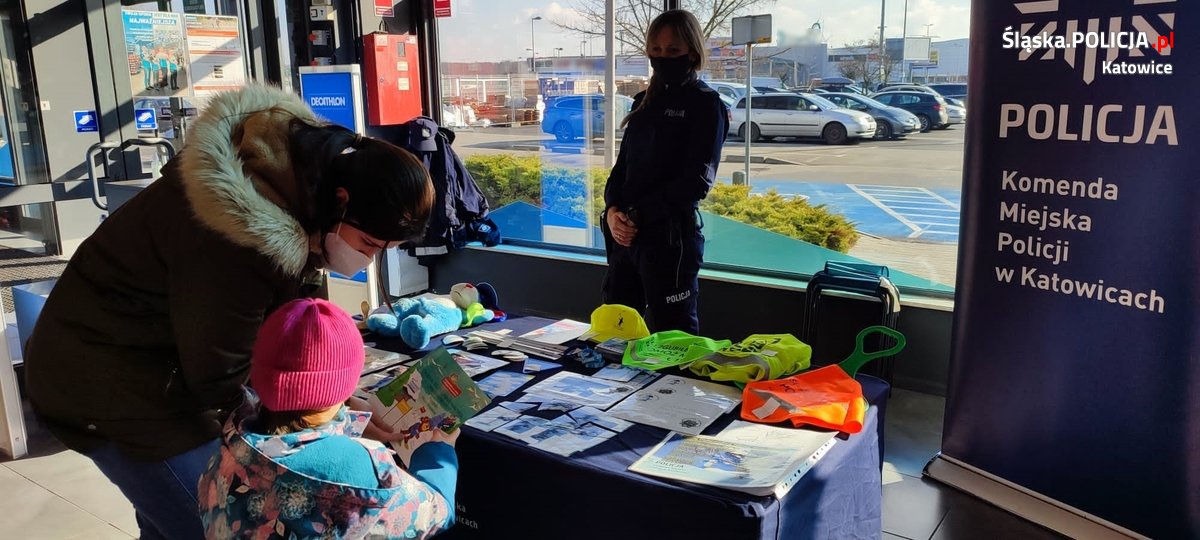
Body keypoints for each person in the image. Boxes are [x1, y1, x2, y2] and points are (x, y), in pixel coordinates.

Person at [23, 84, 434, 540]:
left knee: (173, 516)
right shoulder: (236, 236)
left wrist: (338, 401)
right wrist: (324, 407)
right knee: (214, 518)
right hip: (107, 379)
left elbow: (288, 329)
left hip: (161, 363)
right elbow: (220, 372)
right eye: (369, 244)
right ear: (340, 201)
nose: (371, 259)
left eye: (388, 249)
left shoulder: (299, 183)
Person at [198, 298, 458, 539]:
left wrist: (347, 420)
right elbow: (435, 514)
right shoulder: (364, 472)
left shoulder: (231, 436)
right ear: (345, 386)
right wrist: (437, 454)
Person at [601, 9, 728, 334]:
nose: (663, 58)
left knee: (673, 340)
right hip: (625, 240)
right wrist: (613, 210)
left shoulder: (705, 105)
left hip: (670, 241)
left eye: (673, 51)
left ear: (692, 52)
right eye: (656, 51)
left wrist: (638, 214)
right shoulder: (643, 102)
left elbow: (697, 181)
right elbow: (622, 169)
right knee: (615, 334)